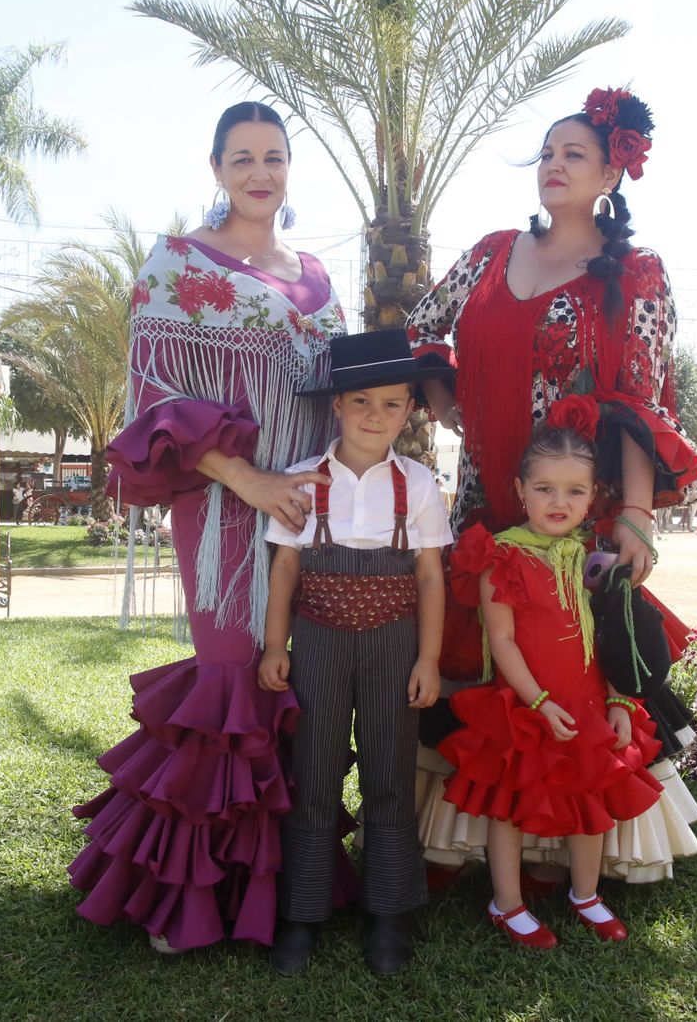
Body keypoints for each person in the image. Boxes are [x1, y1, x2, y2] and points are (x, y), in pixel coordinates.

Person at [406, 85, 697, 886]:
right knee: (486, 656)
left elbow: (642, 406)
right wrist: (449, 404)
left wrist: (635, 513)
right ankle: (468, 847)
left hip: (578, 513)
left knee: (563, 662)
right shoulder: (491, 251)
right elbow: (420, 330)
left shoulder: (636, 274)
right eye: (545, 153)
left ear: (614, 170)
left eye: (573, 153)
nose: (553, 165)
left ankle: (560, 850)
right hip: (485, 502)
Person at [67, 101, 346, 954]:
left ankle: (282, 890)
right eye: (241, 158)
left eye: (274, 156)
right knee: (231, 679)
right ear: (216, 168)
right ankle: (187, 898)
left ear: (290, 166)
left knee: (291, 683)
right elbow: (156, 403)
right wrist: (251, 480)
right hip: (225, 504)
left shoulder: (317, 276)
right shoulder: (177, 265)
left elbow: (340, 389)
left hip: (309, 507)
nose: (259, 172)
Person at [259, 331, 453, 976]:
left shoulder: (420, 483)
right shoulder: (301, 479)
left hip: (394, 645)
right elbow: (285, 568)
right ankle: (302, 915)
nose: (377, 415)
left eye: (393, 404)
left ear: (409, 411)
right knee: (312, 769)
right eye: (362, 401)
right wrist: (273, 645)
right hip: (317, 639)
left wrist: (427, 660)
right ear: (337, 405)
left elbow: (429, 576)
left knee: (389, 772)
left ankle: (390, 913)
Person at [440, 419, 665, 948]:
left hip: (588, 702)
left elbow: (612, 635)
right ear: (520, 491)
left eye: (574, 490)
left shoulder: (599, 556)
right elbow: (503, 641)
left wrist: (616, 700)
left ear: (594, 497)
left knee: (590, 801)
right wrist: (537, 703)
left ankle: (585, 893)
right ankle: (507, 902)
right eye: (543, 488)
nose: (558, 501)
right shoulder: (503, 556)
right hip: (525, 705)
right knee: (511, 805)